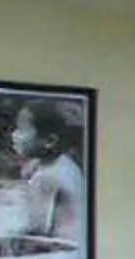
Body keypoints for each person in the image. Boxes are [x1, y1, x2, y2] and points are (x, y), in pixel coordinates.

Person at [11, 102, 87, 242]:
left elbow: (37, 230)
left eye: (22, 130)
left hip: (62, 247)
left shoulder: (45, 178)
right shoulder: (67, 164)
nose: (14, 134)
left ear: (50, 141)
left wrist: (7, 233)